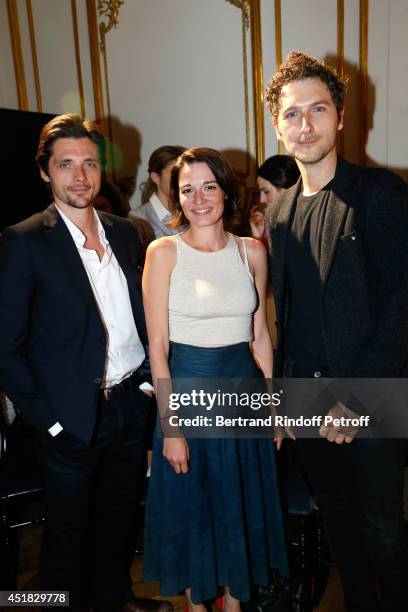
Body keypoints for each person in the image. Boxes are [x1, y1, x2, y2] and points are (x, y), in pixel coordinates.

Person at [0, 113, 173, 612]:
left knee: (119, 518)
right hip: (67, 418)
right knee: (67, 535)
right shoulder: (24, 241)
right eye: (65, 164)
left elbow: (139, 319)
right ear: (45, 172)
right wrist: (48, 421)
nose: (80, 176)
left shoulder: (126, 232)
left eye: (89, 163)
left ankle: (116, 597)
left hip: (128, 407)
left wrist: (145, 388)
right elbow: (6, 348)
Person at [264, 51, 408, 611]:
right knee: (340, 526)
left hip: (370, 393)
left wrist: (353, 398)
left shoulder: (382, 195)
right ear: (277, 125)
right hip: (306, 396)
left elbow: (400, 306)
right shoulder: (278, 215)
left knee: (383, 532)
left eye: (317, 109)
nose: (305, 125)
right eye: (292, 114)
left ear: (341, 117)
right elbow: (289, 316)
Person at [142, 147, 288, 611]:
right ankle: (198, 605)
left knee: (238, 511)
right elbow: (158, 348)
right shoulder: (163, 252)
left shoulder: (252, 252)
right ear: (175, 196)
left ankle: (236, 603)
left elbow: (260, 336)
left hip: (244, 398)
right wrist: (171, 427)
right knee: (194, 511)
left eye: (209, 186)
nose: (199, 198)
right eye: (187, 189)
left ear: (226, 190)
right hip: (188, 396)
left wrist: (275, 409)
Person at [129, 145, 186, 237]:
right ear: (156, 177)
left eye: (183, 173)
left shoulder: (190, 211)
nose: (181, 180)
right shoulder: (137, 218)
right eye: (174, 174)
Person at [249, 155, 300, 243]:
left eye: (266, 192)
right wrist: (257, 237)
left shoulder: (308, 225)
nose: (261, 200)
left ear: (286, 189)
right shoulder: (268, 224)